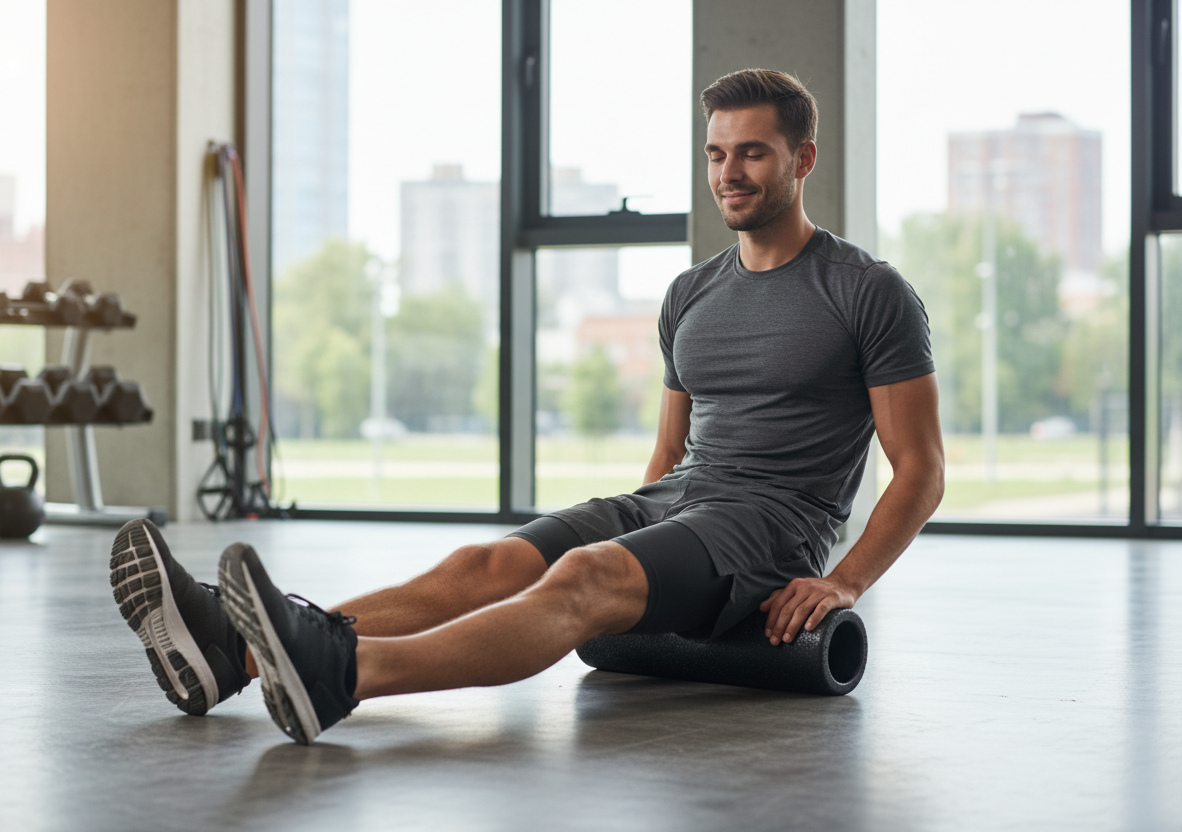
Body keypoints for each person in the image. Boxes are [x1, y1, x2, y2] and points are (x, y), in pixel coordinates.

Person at [110, 68, 944, 745]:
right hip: (677, 499)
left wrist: (843, 582)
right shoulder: (691, 292)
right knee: (490, 564)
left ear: (803, 159)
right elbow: (668, 453)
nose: (729, 173)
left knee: (583, 575)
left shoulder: (866, 292)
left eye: (753, 153)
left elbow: (920, 469)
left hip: (770, 527)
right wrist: (642, 538)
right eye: (717, 153)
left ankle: (345, 674)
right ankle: (234, 654)